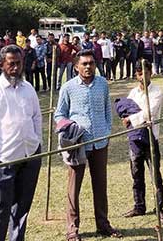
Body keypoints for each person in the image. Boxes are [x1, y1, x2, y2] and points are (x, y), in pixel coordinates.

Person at [54, 49, 122, 240]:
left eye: (91, 63)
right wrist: (70, 129)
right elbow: (59, 114)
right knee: (74, 187)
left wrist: (107, 130)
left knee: (100, 185)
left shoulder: (102, 83)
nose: (88, 67)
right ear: (76, 67)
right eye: (84, 64)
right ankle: (72, 229)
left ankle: (103, 224)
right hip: (78, 144)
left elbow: (108, 110)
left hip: (100, 142)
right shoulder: (68, 88)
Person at [0, 44, 42, 241]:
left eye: (19, 63)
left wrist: (37, 144)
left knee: (22, 208)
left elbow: (37, 118)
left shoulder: (28, 88)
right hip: (5, 158)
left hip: (30, 154)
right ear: (1, 65)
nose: (15, 68)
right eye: (11, 64)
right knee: (0, 209)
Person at [120, 60, 163, 224]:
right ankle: (139, 206)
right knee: (136, 173)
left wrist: (131, 118)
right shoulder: (133, 93)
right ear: (136, 74)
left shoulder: (156, 92)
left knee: (155, 174)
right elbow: (124, 108)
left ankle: (159, 208)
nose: (143, 76)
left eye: (146, 72)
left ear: (151, 73)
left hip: (150, 138)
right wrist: (128, 117)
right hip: (134, 138)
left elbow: (149, 113)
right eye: (140, 73)